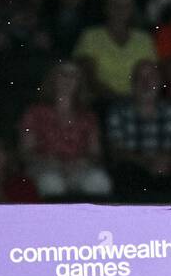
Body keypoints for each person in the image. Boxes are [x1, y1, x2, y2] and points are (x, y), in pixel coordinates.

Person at [19, 61, 113, 199]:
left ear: (79, 83)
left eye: (74, 75)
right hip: (45, 167)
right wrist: (49, 161)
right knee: (52, 184)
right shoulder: (34, 113)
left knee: (99, 182)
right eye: (63, 74)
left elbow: (96, 153)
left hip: (79, 169)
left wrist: (82, 162)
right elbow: (25, 152)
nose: (68, 79)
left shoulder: (88, 116)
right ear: (53, 78)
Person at [106, 59, 171, 201]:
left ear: (160, 82)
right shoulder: (118, 112)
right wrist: (147, 162)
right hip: (134, 170)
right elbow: (116, 151)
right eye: (140, 78)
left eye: (151, 77)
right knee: (125, 172)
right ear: (133, 83)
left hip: (167, 169)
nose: (146, 83)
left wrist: (167, 159)